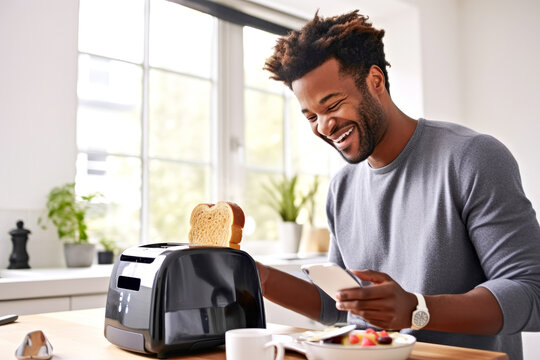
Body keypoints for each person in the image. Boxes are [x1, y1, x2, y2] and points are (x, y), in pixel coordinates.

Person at [255, 10, 540, 360]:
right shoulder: (342, 188)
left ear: (375, 81)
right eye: (311, 116)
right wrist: (256, 276)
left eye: (333, 105)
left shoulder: (473, 157)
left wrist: (417, 309)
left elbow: (530, 292)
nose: (324, 127)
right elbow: (341, 304)